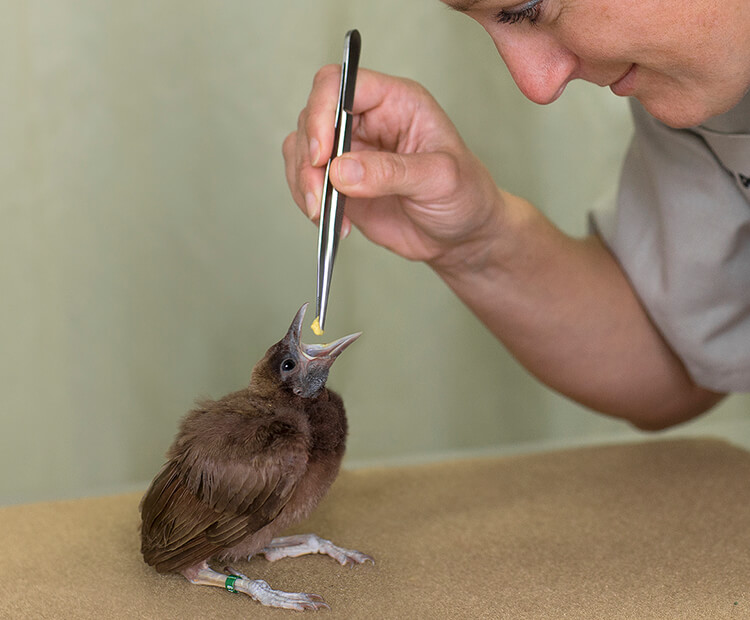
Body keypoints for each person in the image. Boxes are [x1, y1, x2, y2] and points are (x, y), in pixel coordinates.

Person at [282, 0, 750, 430]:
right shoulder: (706, 90)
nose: (537, 85)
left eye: (529, 6)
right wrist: (474, 243)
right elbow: (685, 362)